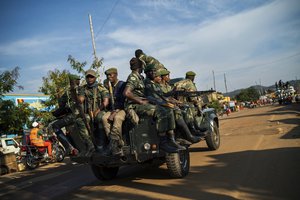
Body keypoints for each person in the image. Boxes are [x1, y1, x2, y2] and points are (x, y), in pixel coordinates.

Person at [123, 58, 179, 153]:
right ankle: (163, 142)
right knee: (160, 111)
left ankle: (171, 139)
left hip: (141, 103)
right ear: (141, 67)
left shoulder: (140, 78)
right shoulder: (133, 77)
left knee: (168, 110)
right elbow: (126, 93)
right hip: (134, 106)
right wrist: (140, 101)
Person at [78, 69, 109, 153]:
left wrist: (97, 111)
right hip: (88, 112)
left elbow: (106, 102)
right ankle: (90, 144)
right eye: (88, 77)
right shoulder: (83, 88)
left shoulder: (100, 88)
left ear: (95, 78)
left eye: (91, 77)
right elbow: (81, 100)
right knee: (81, 120)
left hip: (100, 110)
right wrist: (76, 92)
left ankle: (102, 143)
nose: (89, 79)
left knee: (99, 118)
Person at [102, 67, 126, 155]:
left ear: (116, 74)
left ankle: (114, 143)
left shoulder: (122, 85)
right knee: (104, 118)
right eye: (107, 75)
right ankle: (115, 143)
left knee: (118, 118)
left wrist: (116, 111)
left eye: (110, 74)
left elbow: (124, 101)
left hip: (122, 108)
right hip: (112, 109)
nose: (109, 77)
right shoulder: (109, 87)